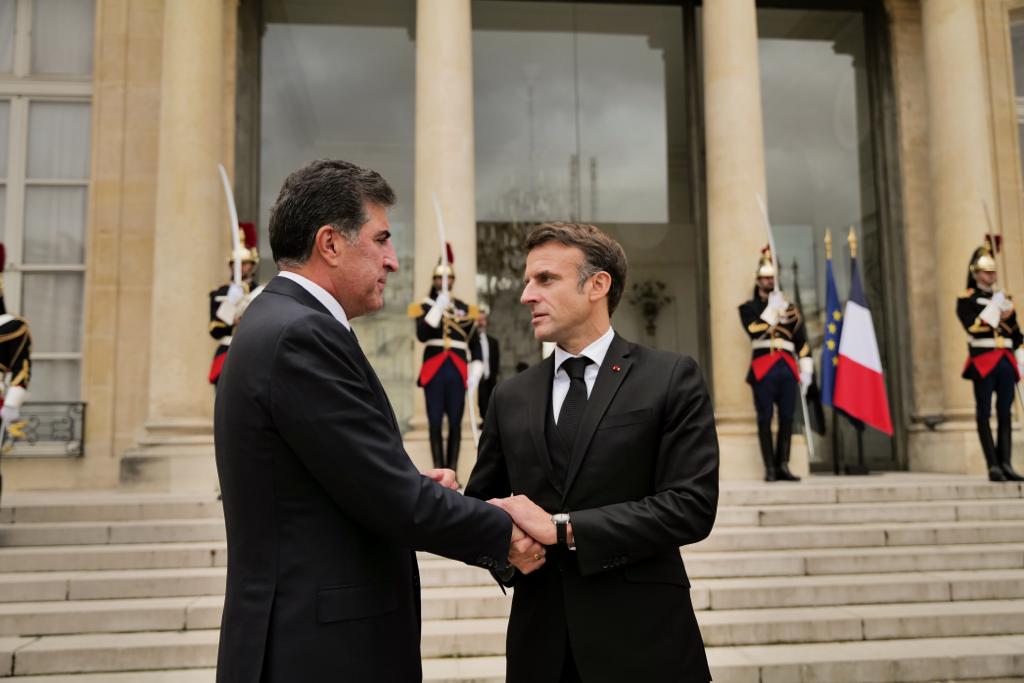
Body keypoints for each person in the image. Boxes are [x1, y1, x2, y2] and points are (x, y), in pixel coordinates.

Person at [214, 159, 544, 682]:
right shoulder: (302, 334)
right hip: (319, 652)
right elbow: (387, 496)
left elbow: (340, 475)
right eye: (382, 239)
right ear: (330, 243)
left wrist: (407, 481)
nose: (393, 261)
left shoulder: (281, 320)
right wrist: (505, 530)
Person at [465, 222, 719, 683]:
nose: (526, 295)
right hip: (540, 650)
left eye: (545, 279)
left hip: (646, 644)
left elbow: (691, 506)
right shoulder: (509, 396)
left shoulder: (670, 378)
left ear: (597, 285)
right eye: (527, 280)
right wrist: (502, 550)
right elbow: (485, 506)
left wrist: (562, 529)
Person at [738, 248, 812, 482]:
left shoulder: (790, 309)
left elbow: (801, 340)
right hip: (763, 367)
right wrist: (771, 311)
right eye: (766, 277)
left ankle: (783, 465)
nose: (769, 281)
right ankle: (769, 467)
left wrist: (807, 367)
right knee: (765, 417)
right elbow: (753, 331)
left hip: (787, 366)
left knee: (788, 417)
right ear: (758, 280)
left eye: (772, 278)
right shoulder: (748, 308)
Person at [957, 237, 1024, 482]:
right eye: (986, 272)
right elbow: (973, 328)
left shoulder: (1003, 299)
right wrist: (995, 310)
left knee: (1005, 412)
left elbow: (1015, 334)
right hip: (983, 359)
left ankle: (1006, 462)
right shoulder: (967, 299)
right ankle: (992, 464)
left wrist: (1007, 312)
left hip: (1005, 360)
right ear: (975, 274)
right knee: (983, 412)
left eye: (993, 272)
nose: (990, 276)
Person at [408, 250, 479, 473]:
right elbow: (422, 334)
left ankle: (454, 472)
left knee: (456, 423)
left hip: (457, 367)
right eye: (439, 278)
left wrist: (476, 368)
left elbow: (474, 342)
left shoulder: (464, 309)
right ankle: (440, 470)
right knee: (435, 422)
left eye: (447, 278)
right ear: (434, 280)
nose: (443, 282)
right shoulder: (426, 306)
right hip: (434, 368)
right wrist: (438, 306)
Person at [208, 223, 261, 386]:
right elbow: (215, 330)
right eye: (237, 263)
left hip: (252, 352)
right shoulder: (221, 293)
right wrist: (230, 303)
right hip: (227, 351)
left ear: (252, 265)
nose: (241, 267)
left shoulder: (260, 292)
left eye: (245, 263)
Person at [471, 303, 501, 421]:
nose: (481, 322)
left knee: (491, 409)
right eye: (478, 320)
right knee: (480, 408)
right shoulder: (472, 341)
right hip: (477, 381)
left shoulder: (493, 342)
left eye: (483, 320)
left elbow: (495, 361)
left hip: (491, 380)